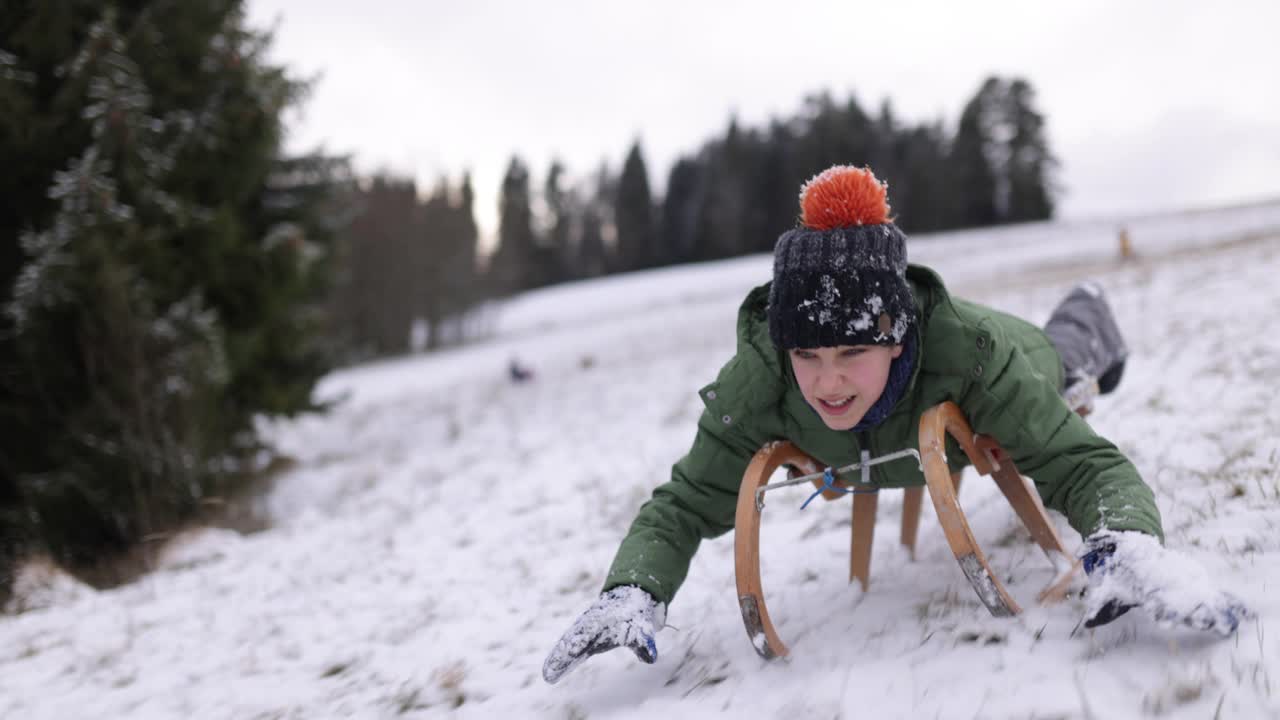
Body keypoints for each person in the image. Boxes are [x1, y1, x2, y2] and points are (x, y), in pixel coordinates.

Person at [542, 166, 1250, 684]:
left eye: (853, 351)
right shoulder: (759, 384)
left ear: (896, 337)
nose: (828, 380)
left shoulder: (970, 355)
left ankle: (1089, 305)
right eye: (808, 355)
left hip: (1009, 363)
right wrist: (632, 590)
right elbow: (682, 505)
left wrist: (1123, 544)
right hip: (901, 441)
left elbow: (1082, 463)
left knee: (1070, 364)